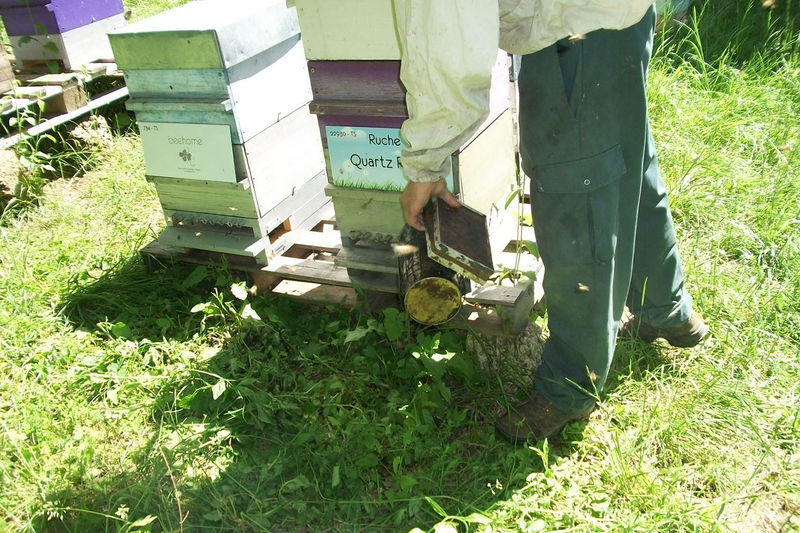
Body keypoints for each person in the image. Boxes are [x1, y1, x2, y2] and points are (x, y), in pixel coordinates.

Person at [394, 0, 709, 443]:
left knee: (575, 200)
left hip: (573, 38)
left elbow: (448, 31)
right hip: (622, 21)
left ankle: (571, 386)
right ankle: (667, 309)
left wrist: (425, 163)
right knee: (626, 160)